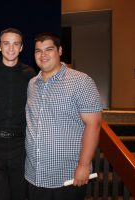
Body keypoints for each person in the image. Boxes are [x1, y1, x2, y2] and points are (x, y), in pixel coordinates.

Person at [25, 32, 103, 200]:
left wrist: (83, 165)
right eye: (38, 51)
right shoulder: (32, 84)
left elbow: (94, 125)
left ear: (59, 51)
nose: (43, 55)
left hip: (67, 177)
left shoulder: (81, 81)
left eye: (49, 49)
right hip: (34, 175)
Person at [0, 28, 36, 200]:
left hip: (20, 145)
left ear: (21, 48)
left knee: (18, 194)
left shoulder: (30, 74)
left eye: (15, 44)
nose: (11, 48)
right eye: (6, 43)